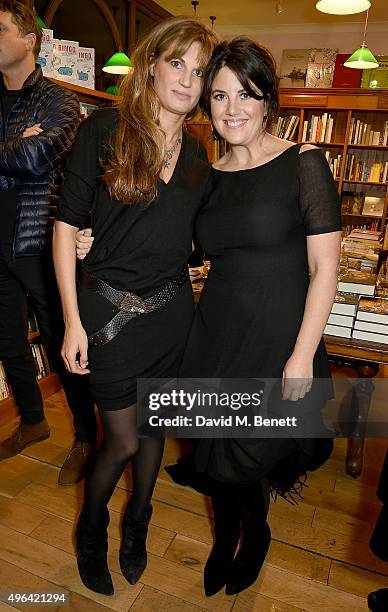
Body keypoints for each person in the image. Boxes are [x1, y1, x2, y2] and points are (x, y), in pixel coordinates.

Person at [163, 37, 342, 597]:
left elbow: (325, 270)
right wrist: (90, 242)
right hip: (215, 335)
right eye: (219, 95)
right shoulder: (207, 175)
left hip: (277, 341)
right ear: (206, 104)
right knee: (214, 454)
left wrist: (301, 357)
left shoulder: (303, 165)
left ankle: (256, 535)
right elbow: (178, 248)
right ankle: (225, 536)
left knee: (246, 455)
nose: (232, 108)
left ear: (268, 100)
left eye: (248, 94)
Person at [53, 16, 217, 596]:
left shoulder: (200, 155)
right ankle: (91, 533)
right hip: (108, 316)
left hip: (173, 313)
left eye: (199, 72)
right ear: (150, 65)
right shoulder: (104, 128)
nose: (188, 80)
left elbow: (193, 239)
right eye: (178, 64)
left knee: (157, 431)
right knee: (121, 439)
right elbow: (65, 224)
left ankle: (137, 528)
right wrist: (72, 321)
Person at [0, 0, 97, 486]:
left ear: (28, 39)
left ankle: (85, 437)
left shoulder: (59, 101)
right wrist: (13, 148)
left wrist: (22, 148)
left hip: (39, 243)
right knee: (8, 342)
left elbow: (38, 157)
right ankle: (34, 422)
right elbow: (21, 154)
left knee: (65, 344)